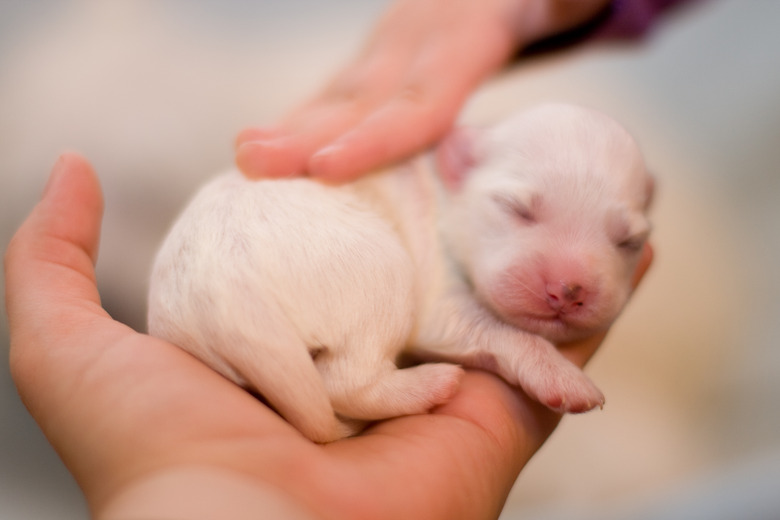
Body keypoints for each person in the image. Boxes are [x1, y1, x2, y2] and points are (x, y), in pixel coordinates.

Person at [5, 1, 657, 518]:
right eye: (520, 211)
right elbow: (434, 316)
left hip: (220, 302)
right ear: (457, 165)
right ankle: (357, 381)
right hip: (274, 266)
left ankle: (331, 381)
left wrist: (197, 479)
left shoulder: (428, 197)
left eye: (623, 241)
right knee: (384, 278)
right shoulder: (410, 197)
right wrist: (522, 351)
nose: (573, 279)